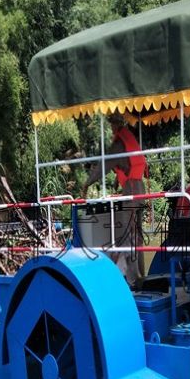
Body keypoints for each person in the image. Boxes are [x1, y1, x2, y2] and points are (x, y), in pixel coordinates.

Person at [81, 112, 147, 287]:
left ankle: (133, 280)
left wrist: (87, 183)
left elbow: (104, 166)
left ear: (115, 125)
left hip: (131, 192)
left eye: (111, 124)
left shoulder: (119, 144)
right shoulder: (129, 139)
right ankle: (141, 274)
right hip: (140, 190)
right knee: (137, 236)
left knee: (127, 235)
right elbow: (128, 165)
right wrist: (118, 184)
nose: (111, 128)